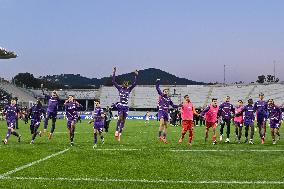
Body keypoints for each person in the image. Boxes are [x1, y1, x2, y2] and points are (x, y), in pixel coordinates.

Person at [112, 67, 138, 141]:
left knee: (123, 120)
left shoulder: (129, 89)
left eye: (127, 84)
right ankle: (116, 131)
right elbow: (113, 81)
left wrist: (136, 75)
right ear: (123, 84)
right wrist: (114, 72)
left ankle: (120, 134)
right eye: (125, 83)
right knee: (120, 118)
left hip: (126, 106)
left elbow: (135, 83)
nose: (126, 85)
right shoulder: (120, 88)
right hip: (121, 105)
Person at [156, 79, 178, 143]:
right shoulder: (161, 95)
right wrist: (157, 82)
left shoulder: (169, 99)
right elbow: (157, 88)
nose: (166, 92)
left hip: (166, 112)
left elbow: (173, 105)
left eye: (167, 91)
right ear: (163, 92)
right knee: (162, 124)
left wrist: (179, 105)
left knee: (166, 126)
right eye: (165, 91)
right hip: (161, 111)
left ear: (168, 92)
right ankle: (159, 136)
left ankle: (164, 137)